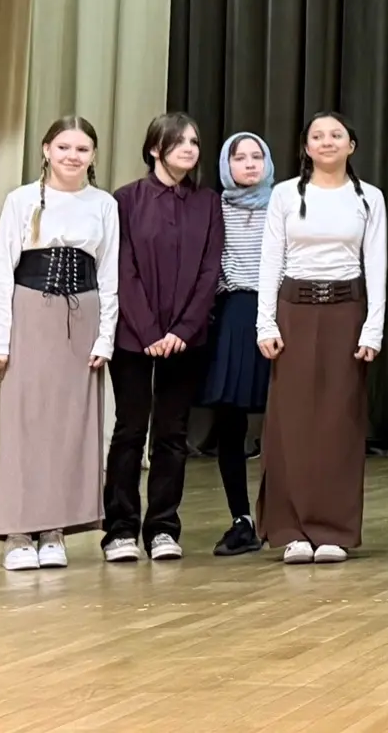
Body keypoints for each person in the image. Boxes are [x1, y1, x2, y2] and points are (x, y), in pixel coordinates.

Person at [0, 117, 120, 571]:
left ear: (93, 155)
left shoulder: (103, 204)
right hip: (30, 311)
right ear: (46, 149)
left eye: (82, 149)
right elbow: (2, 273)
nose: (72, 156)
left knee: (69, 426)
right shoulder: (21, 199)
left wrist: (105, 336)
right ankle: (20, 531)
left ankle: (54, 530)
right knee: (26, 422)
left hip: (82, 316)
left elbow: (109, 276)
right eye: (63, 147)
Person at [256, 112, 387, 564]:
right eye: (317, 136)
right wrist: (266, 323)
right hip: (293, 310)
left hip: (346, 311)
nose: (327, 142)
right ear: (306, 147)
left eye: (336, 135)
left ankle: (334, 529)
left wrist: (373, 327)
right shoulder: (284, 195)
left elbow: (376, 264)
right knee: (289, 421)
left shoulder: (369, 197)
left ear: (352, 144)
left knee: (339, 421)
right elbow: (271, 260)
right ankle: (291, 529)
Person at [104, 113, 224, 564]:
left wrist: (181, 330)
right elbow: (123, 268)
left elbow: (210, 270)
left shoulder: (208, 202)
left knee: (173, 434)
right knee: (130, 430)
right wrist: (150, 331)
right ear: (156, 148)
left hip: (185, 339)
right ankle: (119, 530)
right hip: (134, 336)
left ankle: (162, 529)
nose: (190, 149)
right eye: (179, 142)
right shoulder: (125, 200)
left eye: (194, 141)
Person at [201, 131, 275, 556]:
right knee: (230, 422)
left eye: (256, 156)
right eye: (239, 157)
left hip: (276, 312)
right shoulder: (215, 207)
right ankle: (240, 518)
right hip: (232, 313)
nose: (248, 164)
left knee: (280, 419)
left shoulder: (283, 202)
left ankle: (280, 512)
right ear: (225, 166)